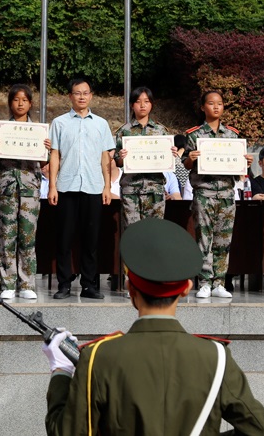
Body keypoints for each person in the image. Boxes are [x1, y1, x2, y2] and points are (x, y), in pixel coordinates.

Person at [43, 218, 264, 436]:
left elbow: (65, 433)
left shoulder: (98, 357)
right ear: (187, 288)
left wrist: (61, 373)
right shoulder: (216, 357)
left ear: (130, 289)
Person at [48, 76, 114, 300]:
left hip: (94, 187)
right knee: (65, 238)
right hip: (66, 187)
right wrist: (52, 186)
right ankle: (64, 284)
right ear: (70, 96)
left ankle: (89, 285)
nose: (82, 97)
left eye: (86, 93)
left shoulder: (101, 124)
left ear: (91, 95)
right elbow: (54, 154)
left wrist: (107, 186)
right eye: (77, 93)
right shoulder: (59, 123)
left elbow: (106, 156)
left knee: (91, 239)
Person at [183, 91, 253, 300]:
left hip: (226, 193)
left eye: (220, 104)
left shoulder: (232, 135)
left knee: (223, 240)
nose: (216, 107)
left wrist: (245, 163)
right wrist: (192, 158)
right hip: (204, 192)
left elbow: (239, 168)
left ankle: (220, 281)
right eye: (211, 103)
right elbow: (185, 164)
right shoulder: (194, 134)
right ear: (203, 107)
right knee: (204, 238)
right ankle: (204, 281)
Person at [0, 84, 50, 301]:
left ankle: (27, 283)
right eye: (16, 99)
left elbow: (43, 163)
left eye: (24, 100)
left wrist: (46, 149)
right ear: (10, 103)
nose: (20, 103)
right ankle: (8, 283)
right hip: (7, 188)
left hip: (29, 189)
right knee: (7, 236)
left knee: (28, 236)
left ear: (30, 103)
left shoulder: (39, 131)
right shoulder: (0, 129)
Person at [113, 87, 177, 229]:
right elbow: (117, 161)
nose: (142, 105)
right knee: (131, 232)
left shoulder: (161, 131)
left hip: (154, 188)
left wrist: (171, 153)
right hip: (131, 189)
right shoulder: (124, 131)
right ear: (131, 105)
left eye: (146, 101)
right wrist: (122, 157)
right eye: (138, 101)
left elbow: (167, 159)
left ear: (151, 104)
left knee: (154, 232)